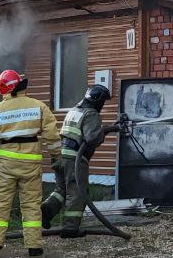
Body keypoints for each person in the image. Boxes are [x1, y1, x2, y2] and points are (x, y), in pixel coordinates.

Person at [0, 70, 59, 258]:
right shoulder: (38, 106)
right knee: (31, 205)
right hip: (31, 164)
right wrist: (56, 155)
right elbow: (52, 135)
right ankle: (34, 246)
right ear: (19, 85)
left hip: (6, 165)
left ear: (2, 89)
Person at [41, 84, 125, 236]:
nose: (103, 105)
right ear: (97, 100)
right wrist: (106, 130)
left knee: (62, 189)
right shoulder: (91, 113)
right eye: (103, 102)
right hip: (74, 159)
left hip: (60, 156)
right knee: (77, 192)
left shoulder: (74, 110)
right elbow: (92, 138)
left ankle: (46, 211)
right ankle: (70, 228)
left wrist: (109, 128)